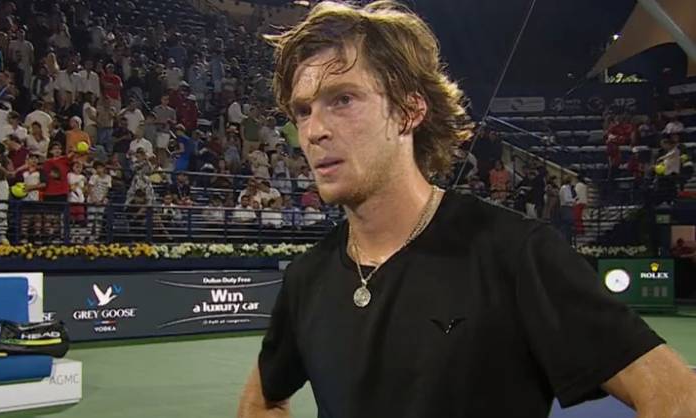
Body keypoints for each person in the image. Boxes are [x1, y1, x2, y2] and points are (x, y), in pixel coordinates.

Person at [237, 3, 696, 418]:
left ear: (409, 111)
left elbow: (677, 397)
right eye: (303, 110)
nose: (314, 130)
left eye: (343, 99)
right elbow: (261, 401)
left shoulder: (515, 253)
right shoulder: (307, 278)